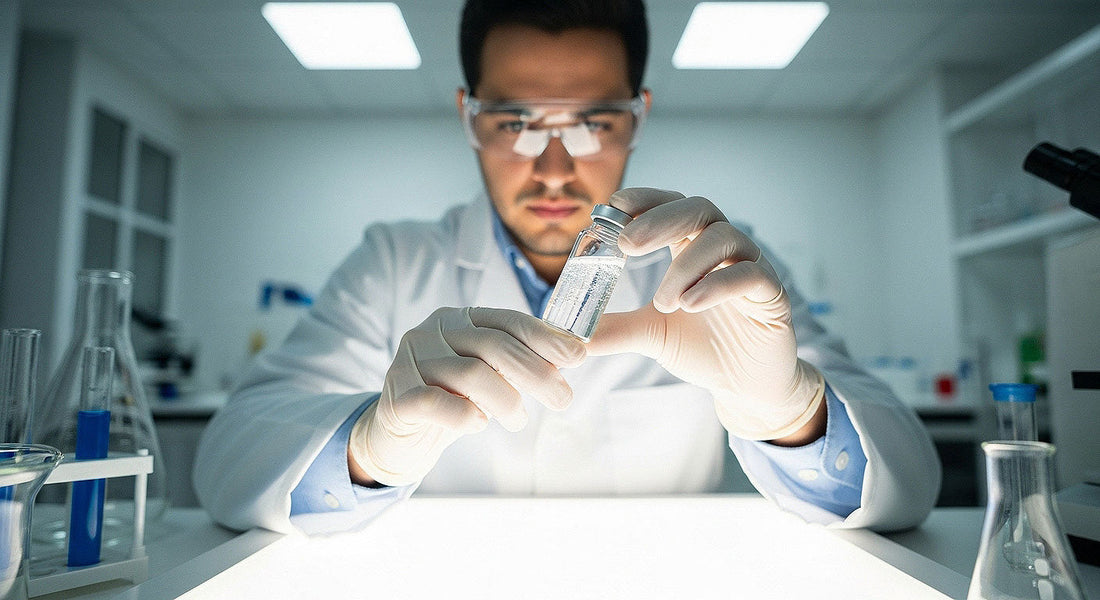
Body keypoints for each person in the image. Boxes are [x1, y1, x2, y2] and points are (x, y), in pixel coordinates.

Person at [193, 0, 940, 535]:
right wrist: (368, 445)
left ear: (638, 116)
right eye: (515, 122)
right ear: (469, 116)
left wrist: (790, 413)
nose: (552, 168)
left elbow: (908, 486)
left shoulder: (719, 268)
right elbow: (228, 462)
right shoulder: (394, 262)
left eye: (592, 122)